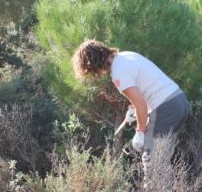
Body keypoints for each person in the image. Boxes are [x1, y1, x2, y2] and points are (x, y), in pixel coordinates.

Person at [72, 39, 190, 189]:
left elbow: (141, 105)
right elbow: (144, 88)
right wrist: (133, 109)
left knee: (152, 161)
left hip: (165, 107)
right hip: (179, 100)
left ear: (93, 64)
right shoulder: (126, 56)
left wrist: (140, 132)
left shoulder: (117, 73)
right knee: (162, 159)